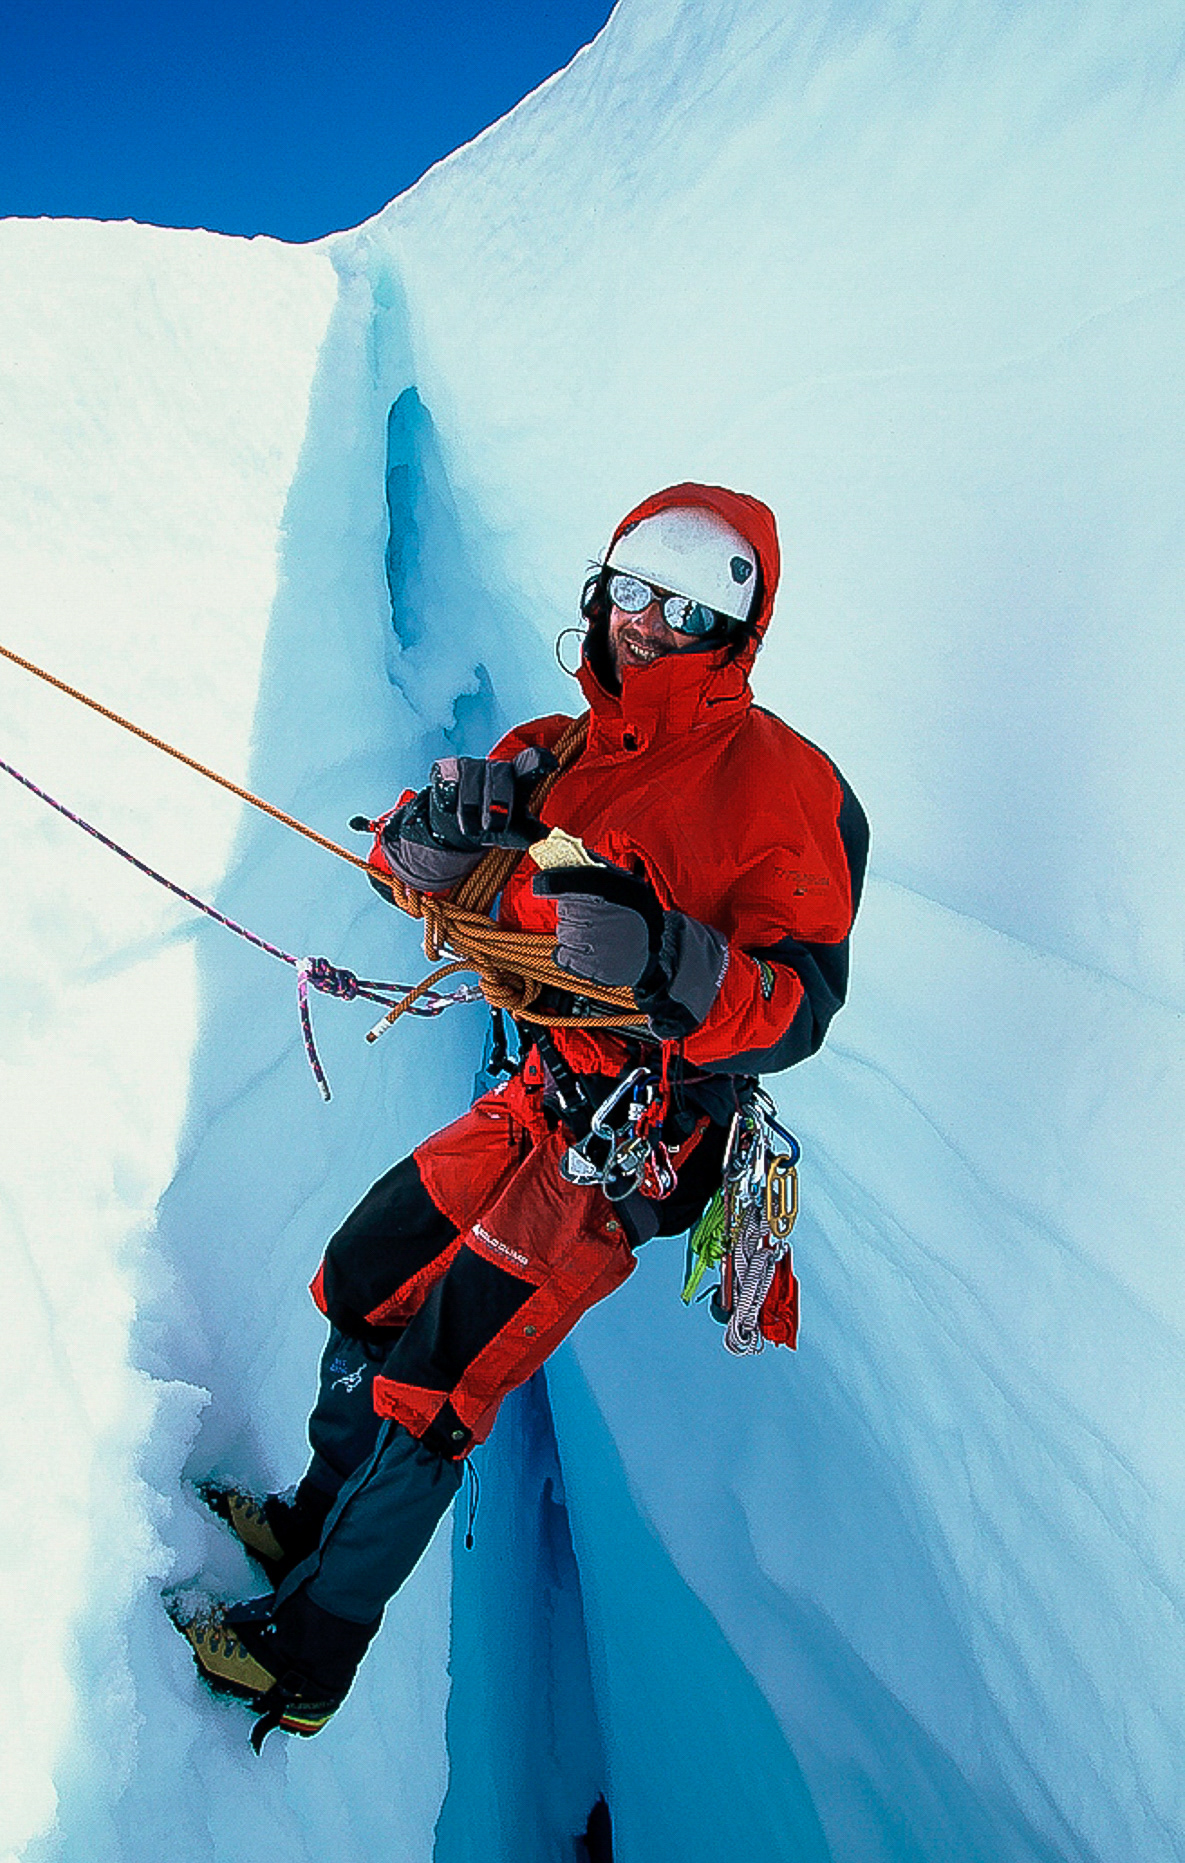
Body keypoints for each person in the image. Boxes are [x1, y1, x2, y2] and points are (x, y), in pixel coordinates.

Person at [171, 482, 869, 1749]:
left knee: (436, 1384)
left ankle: (307, 1657)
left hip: (626, 1147)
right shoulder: (557, 749)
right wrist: (422, 849)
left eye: (685, 607)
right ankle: (316, 1515)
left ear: (737, 630)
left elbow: (797, 1006)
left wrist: (669, 960)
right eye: (633, 592)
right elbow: (413, 862)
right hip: (540, 1099)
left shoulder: (788, 790)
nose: (649, 626)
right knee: (363, 1273)